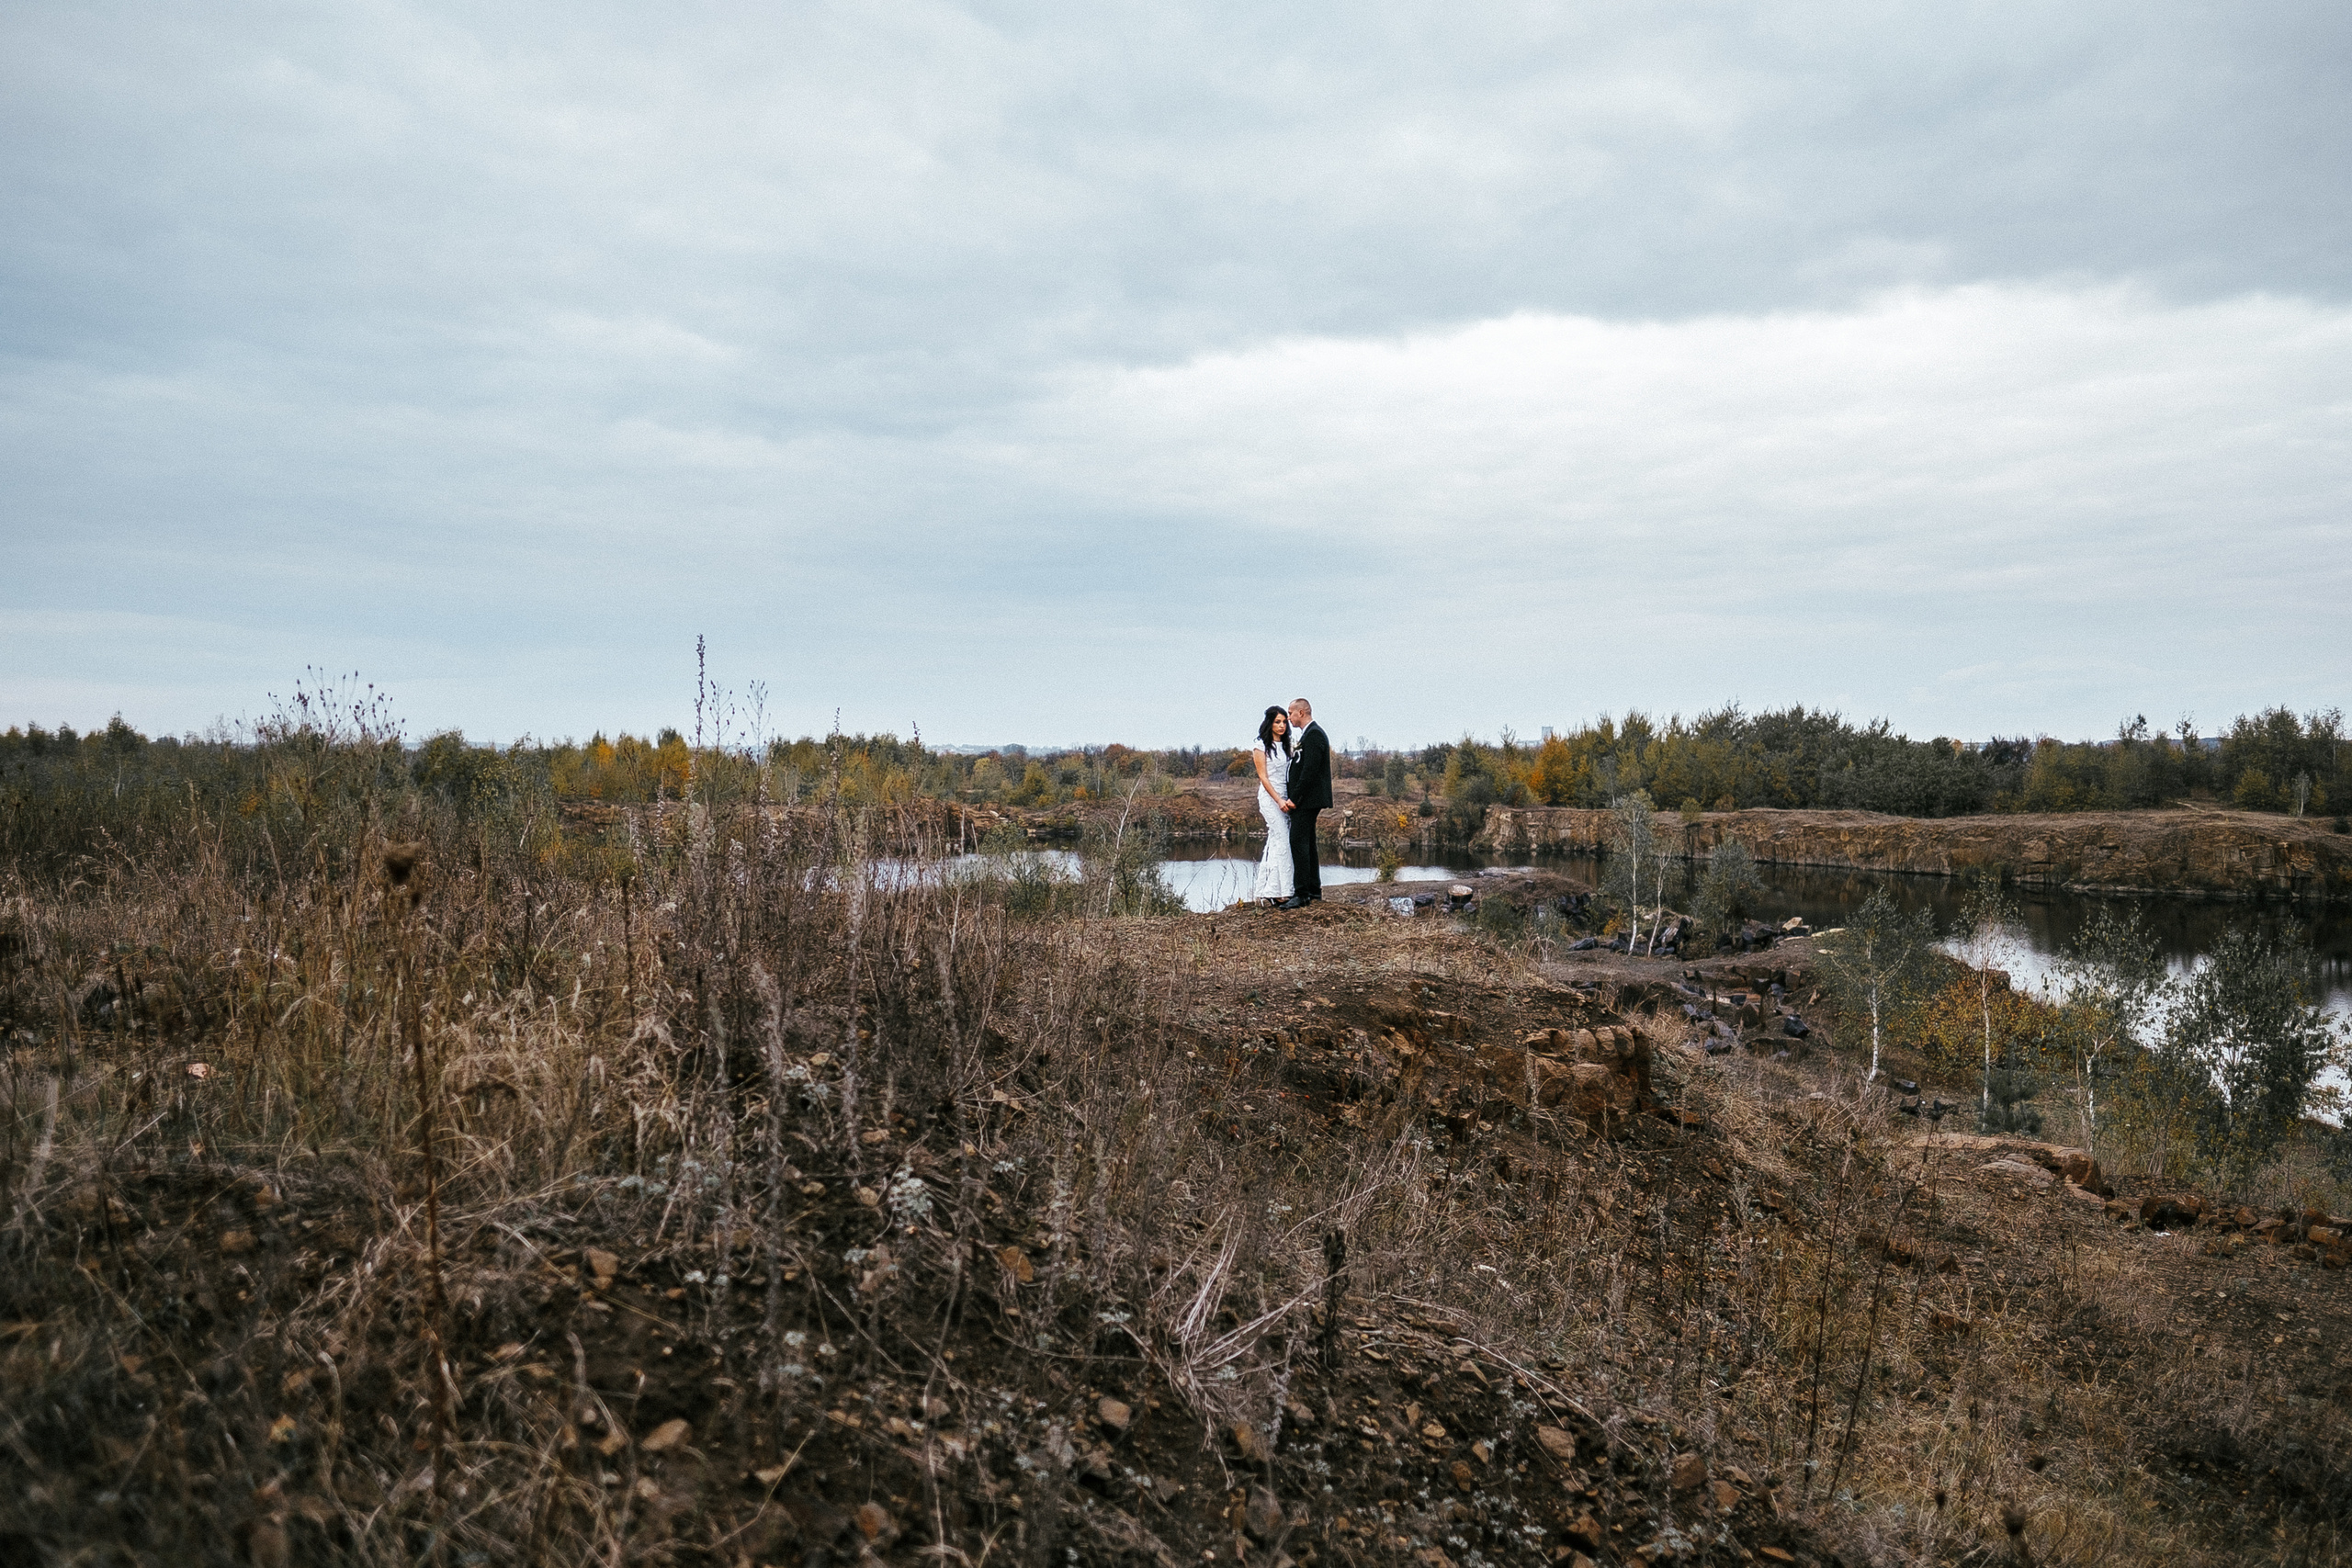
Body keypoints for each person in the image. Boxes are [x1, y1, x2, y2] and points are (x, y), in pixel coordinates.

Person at [1281, 698, 1331, 908]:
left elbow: (1309, 772)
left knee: (1298, 842)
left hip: (1308, 800)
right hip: (1307, 800)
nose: (1288, 718)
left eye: (1290, 713)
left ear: (1301, 713)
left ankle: (1301, 893)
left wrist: (1295, 798)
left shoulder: (1315, 735)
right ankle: (1313, 890)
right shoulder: (1309, 734)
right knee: (1308, 842)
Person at [1250, 705, 1295, 905]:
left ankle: (1268, 890)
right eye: (1278, 722)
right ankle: (1284, 891)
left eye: (1284, 721)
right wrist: (1277, 800)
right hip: (1270, 799)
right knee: (1283, 839)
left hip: (1285, 798)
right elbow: (1263, 777)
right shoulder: (1261, 746)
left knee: (1276, 842)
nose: (1282, 725)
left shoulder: (1288, 745)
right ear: (1269, 723)